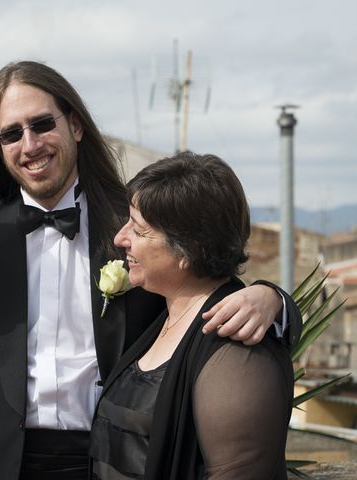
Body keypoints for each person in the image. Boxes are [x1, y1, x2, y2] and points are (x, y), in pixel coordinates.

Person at [0, 61, 300, 480]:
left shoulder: (136, 229)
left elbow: (206, 287)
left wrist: (273, 298)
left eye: (41, 124)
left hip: (109, 461)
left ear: (75, 125)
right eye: (12, 133)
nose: (30, 144)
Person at [89, 152, 294, 479]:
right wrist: (275, 296)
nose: (120, 239)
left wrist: (273, 299)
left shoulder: (236, 347)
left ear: (189, 248)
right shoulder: (162, 312)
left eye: (139, 231)